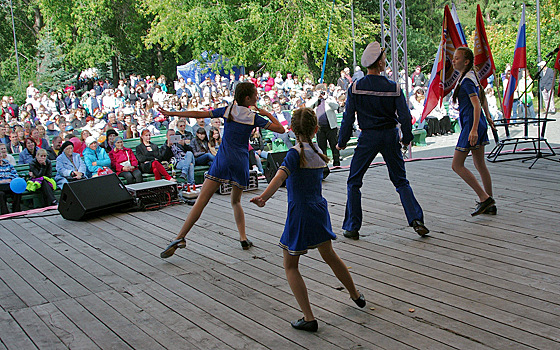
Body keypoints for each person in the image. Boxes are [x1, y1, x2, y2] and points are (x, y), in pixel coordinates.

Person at [250, 108, 365, 332]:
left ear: (292, 129)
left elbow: (279, 177)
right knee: (329, 255)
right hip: (319, 209)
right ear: (315, 129)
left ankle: (309, 317)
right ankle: (355, 294)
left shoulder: (295, 153)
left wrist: (264, 197)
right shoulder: (317, 150)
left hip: (300, 212)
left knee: (290, 265)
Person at [158, 82, 284, 258]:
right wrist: (266, 113)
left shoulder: (228, 110)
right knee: (236, 201)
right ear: (248, 98)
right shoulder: (253, 117)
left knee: (201, 200)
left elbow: (197, 114)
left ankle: (180, 237)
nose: (257, 96)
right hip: (240, 162)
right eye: (255, 94)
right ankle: (243, 237)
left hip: (223, 159)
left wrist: (172, 113)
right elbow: (281, 128)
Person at [337, 42, 429, 240]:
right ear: (379, 63)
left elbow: (348, 118)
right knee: (400, 180)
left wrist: (342, 141)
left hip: (368, 137)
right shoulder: (393, 87)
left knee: (354, 181)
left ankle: (352, 226)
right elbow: (404, 116)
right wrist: (407, 136)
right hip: (389, 135)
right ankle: (416, 219)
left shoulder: (355, 88)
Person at [451, 47, 496, 216]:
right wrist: (488, 117)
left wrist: (474, 129)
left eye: (457, 58)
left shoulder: (467, 80)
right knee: (480, 164)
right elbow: (482, 97)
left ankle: (484, 198)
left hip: (472, 125)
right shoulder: (470, 77)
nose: (454, 61)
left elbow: (476, 104)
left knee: (457, 165)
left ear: (466, 61)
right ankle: (489, 201)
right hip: (476, 124)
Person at [306, 84, 341, 166]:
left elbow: (336, 106)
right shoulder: (314, 100)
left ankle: (336, 162)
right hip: (319, 128)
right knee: (322, 147)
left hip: (331, 126)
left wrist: (326, 98)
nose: (321, 93)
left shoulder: (330, 98)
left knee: (334, 145)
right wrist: (316, 97)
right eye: (319, 91)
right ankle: (324, 164)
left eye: (322, 91)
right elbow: (308, 106)